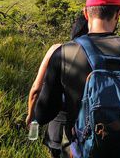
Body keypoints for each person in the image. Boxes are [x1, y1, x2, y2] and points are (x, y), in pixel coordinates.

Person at [34, 0, 120, 158]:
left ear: (86, 13)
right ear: (118, 14)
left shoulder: (64, 53)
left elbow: (44, 113)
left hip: (77, 150)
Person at [26, 14, 89, 158]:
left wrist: (31, 115)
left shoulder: (58, 49)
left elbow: (36, 88)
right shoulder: (101, 53)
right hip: (91, 126)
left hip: (59, 125)